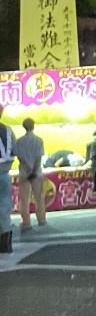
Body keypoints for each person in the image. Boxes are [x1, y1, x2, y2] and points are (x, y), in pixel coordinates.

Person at [15, 118, 47, 230]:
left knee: (24, 198)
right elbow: (39, 158)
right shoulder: (39, 140)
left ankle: (26, 221)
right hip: (36, 173)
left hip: (24, 172)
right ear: (33, 126)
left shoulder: (19, 141)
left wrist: (27, 168)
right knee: (39, 197)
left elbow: (19, 157)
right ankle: (41, 219)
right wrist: (33, 170)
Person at [0, 105, 14, 253]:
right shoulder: (8, 130)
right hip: (4, 172)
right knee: (4, 208)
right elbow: (13, 150)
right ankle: (5, 245)